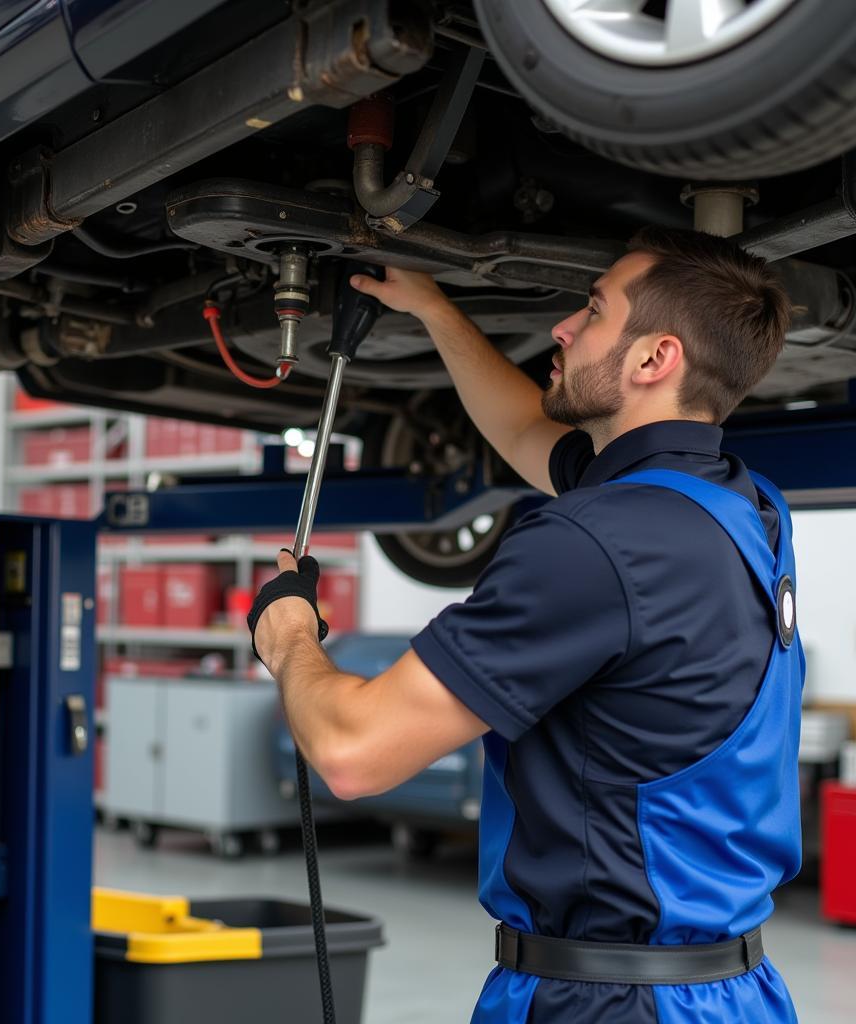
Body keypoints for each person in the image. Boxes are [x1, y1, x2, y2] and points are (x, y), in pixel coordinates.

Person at [247, 227, 802, 1023]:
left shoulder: (596, 543)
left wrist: (288, 633)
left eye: (592, 311)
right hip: (734, 991)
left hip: (608, 1000)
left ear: (655, 359)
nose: (563, 329)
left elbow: (351, 752)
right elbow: (520, 433)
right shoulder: (746, 507)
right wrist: (434, 309)